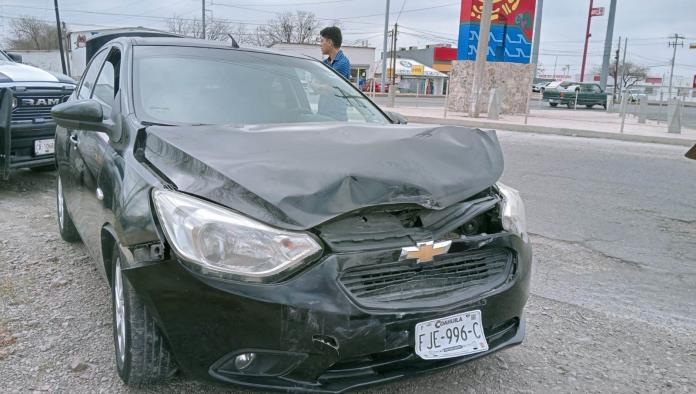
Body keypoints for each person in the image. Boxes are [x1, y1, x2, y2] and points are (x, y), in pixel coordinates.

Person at [315, 26, 351, 121]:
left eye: (322, 41)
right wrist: (323, 87)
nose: (320, 44)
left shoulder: (342, 63)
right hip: (322, 112)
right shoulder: (325, 63)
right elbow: (314, 85)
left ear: (330, 43)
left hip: (336, 116)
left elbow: (334, 89)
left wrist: (322, 86)